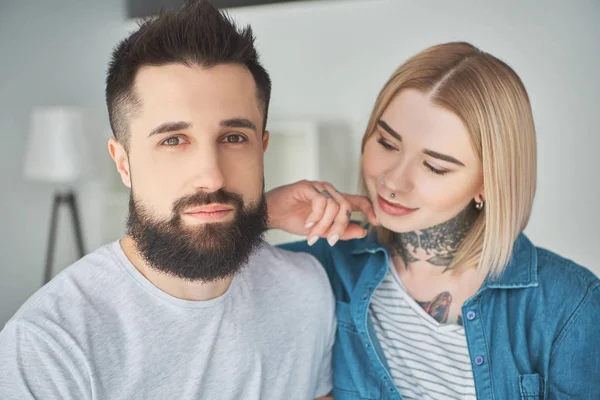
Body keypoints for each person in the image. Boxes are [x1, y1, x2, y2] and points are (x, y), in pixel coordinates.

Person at [0, 1, 335, 399]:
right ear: (123, 163)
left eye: (233, 138)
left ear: (261, 147)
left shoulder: (306, 291)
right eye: (173, 140)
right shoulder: (49, 345)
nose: (211, 176)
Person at [267, 42, 600, 399]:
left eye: (435, 166)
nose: (393, 182)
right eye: (387, 143)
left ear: (488, 183)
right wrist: (263, 213)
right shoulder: (328, 267)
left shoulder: (570, 305)